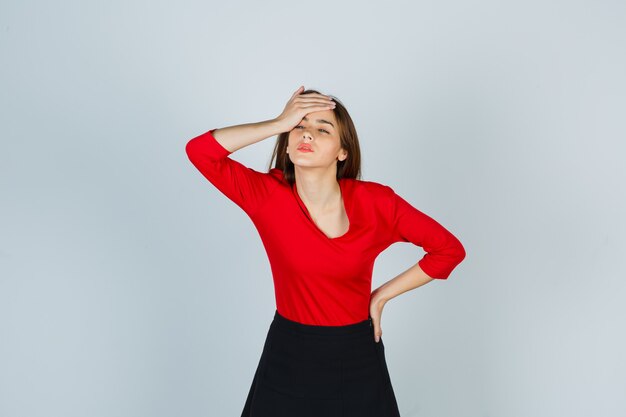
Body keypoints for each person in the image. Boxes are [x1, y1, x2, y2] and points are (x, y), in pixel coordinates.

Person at [185, 86, 466, 417]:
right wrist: (278, 122)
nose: (307, 135)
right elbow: (200, 151)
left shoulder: (377, 203)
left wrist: (380, 297)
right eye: (299, 126)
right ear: (286, 143)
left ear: (342, 152)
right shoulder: (267, 196)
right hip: (289, 354)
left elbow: (448, 250)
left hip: (357, 357)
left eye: (322, 129)